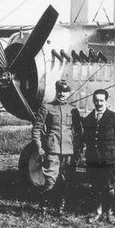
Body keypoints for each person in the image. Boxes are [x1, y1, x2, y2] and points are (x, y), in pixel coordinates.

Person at [31, 79, 81, 216]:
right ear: (56, 91)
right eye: (60, 91)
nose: (62, 94)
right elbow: (36, 129)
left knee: (66, 180)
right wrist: (39, 147)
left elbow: (78, 133)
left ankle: (61, 208)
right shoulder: (46, 108)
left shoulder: (73, 110)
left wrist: (78, 150)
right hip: (52, 150)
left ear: (68, 93)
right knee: (50, 181)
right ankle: (44, 208)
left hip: (68, 151)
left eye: (65, 91)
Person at [77, 88, 115, 224]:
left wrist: (113, 153)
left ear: (106, 101)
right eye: (96, 100)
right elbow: (85, 138)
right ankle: (97, 212)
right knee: (95, 186)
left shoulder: (114, 118)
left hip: (109, 159)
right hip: (93, 158)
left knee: (109, 187)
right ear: (93, 101)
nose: (98, 103)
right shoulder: (88, 119)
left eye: (101, 100)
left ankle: (110, 213)